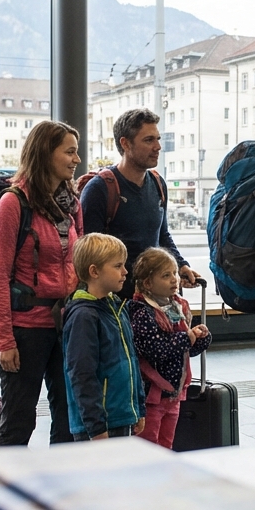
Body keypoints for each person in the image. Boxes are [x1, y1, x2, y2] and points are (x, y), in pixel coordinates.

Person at [0, 121, 83, 446]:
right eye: (69, 151)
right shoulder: (13, 204)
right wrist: (4, 341)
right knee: (19, 418)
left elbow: (77, 260)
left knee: (68, 415)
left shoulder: (71, 204)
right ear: (46, 153)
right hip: (25, 328)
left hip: (65, 323)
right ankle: (8, 490)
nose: (77, 159)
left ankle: (58, 488)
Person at [80, 108, 200, 299]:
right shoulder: (100, 189)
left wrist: (180, 264)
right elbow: (88, 255)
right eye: (149, 140)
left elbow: (162, 235)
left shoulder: (158, 184)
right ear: (125, 144)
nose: (158, 146)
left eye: (158, 139)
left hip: (152, 302)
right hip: (115, 304)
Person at [62, 233, 144, 441]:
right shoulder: (84, 316)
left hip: (121, 416)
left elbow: (131, 361)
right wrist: (96, 427)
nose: (125, 272)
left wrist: (138, 408)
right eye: (117, 266)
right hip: (99, 425)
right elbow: (82, 374)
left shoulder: (117, 308)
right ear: (94, 271)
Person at [129, 247, 211, 449]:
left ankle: (163, 478)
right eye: (166, 275)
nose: (175, 279)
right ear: (148, 283)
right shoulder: (142, 313)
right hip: (152, 395)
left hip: (173, 394)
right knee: (147, 446)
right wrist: (187, 337)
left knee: (166, 443)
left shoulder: (177, 307)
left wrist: (200, 338)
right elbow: (156, 350)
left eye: (174, 273)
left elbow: (184, 351)